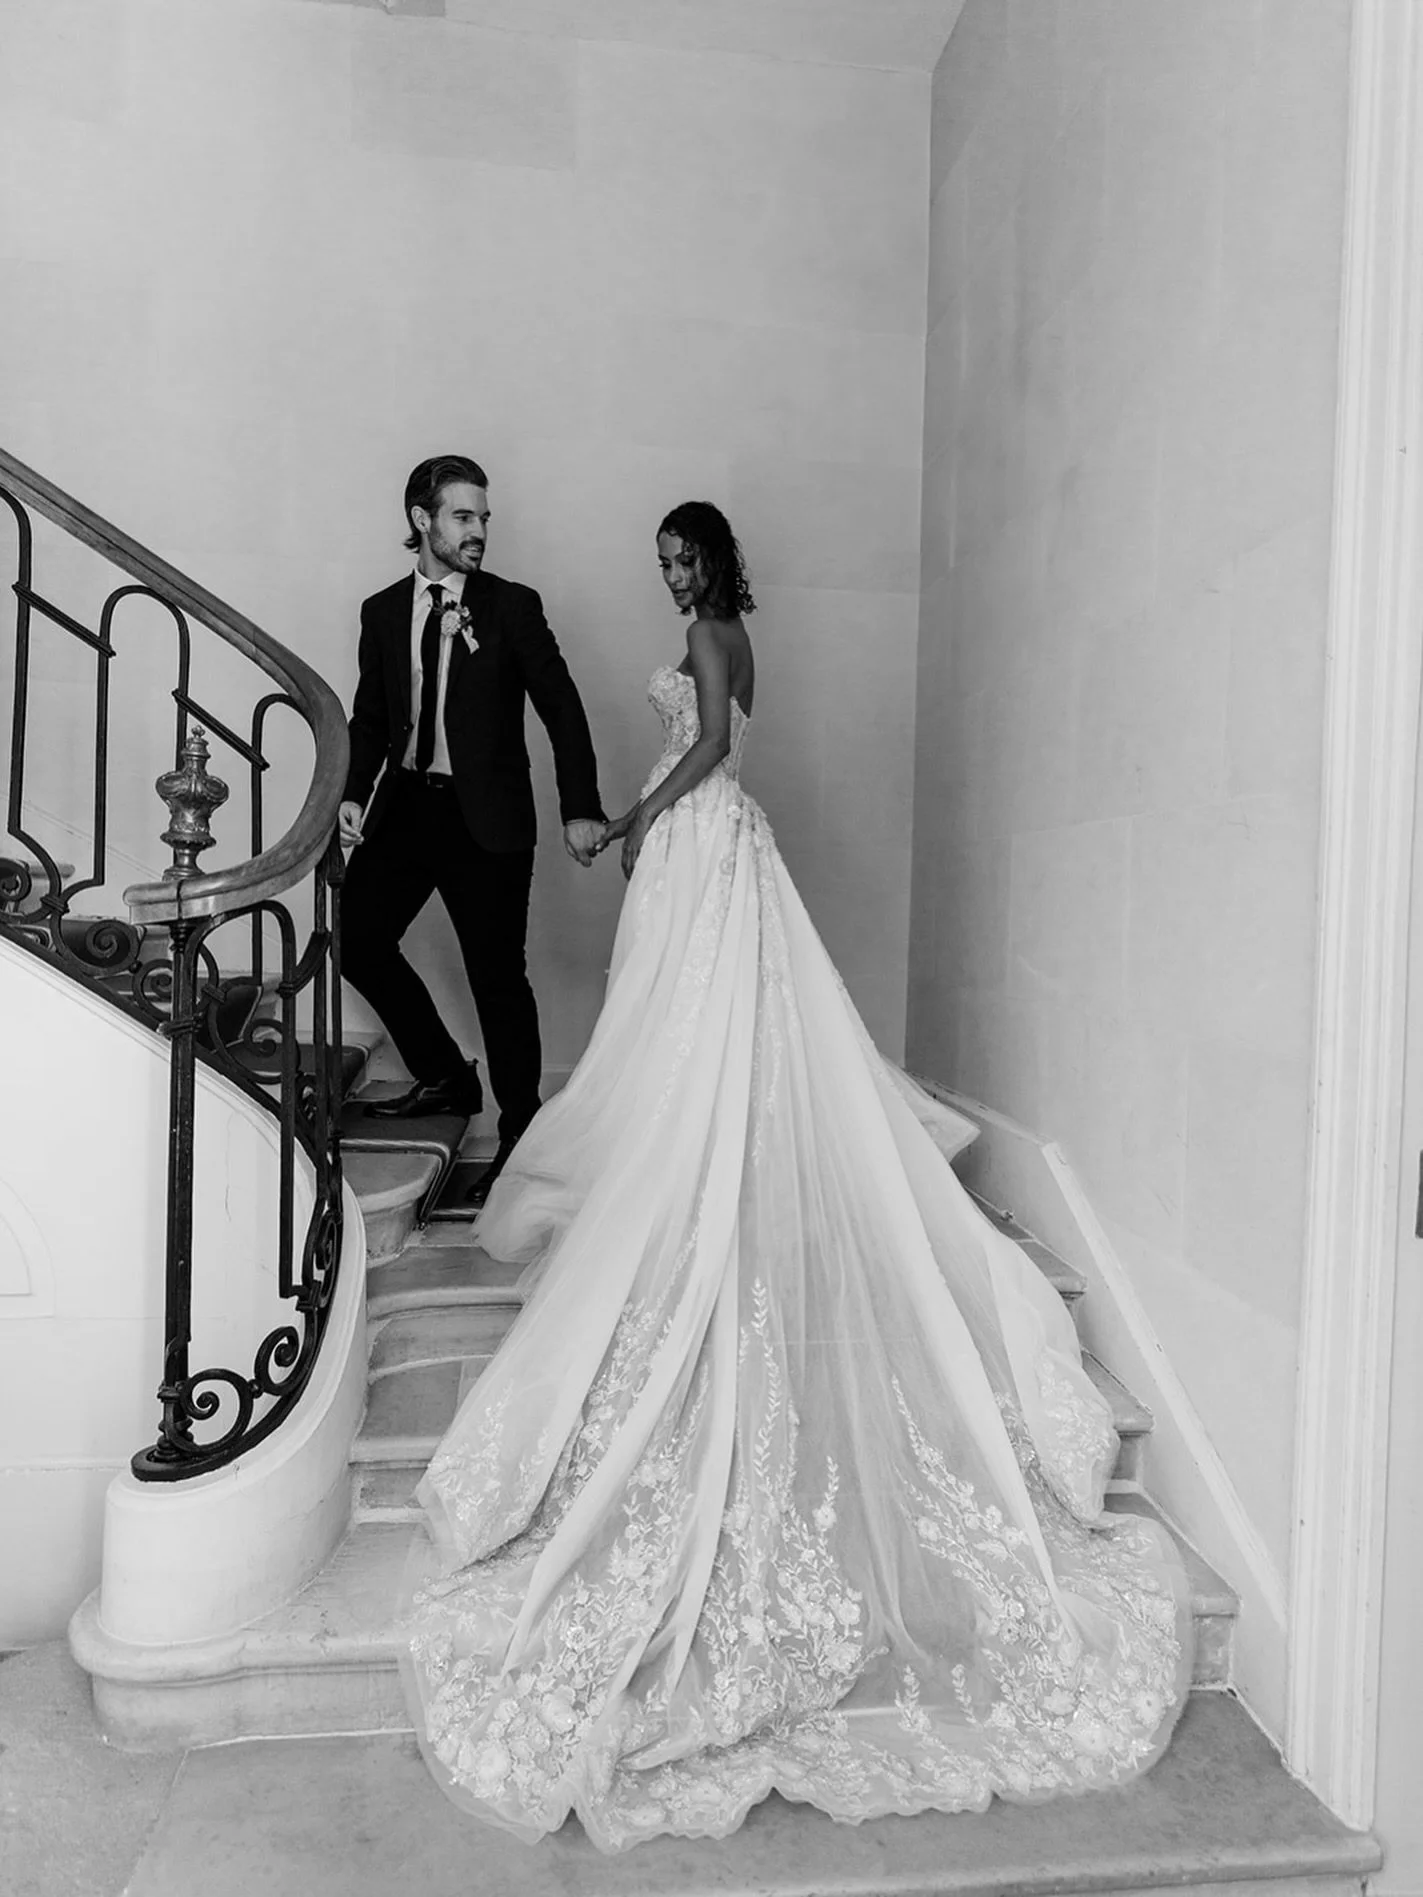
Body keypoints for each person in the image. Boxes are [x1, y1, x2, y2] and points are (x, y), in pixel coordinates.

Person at [399, 502, 1193, 1852]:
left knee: (705, 1032)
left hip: (706, 836)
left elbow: (707, 744)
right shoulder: (716, 628)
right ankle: (676, 1157)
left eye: (679, 559)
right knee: (690, 1031)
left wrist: (639, 820)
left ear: (710, 562)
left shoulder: (714, 637)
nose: (667, 580)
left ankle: (699, 1177)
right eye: (661, 566)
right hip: (711, 844)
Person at [339, 455, 605, 1203]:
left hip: (485, 819)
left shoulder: (512, 605)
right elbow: (369, 716)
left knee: (497, 979)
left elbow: (563, 707)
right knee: (356, 936)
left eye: (484, 517)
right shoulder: (383, 612)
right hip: (406, 808)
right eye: (463, 516)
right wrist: (354, 792)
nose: (479, 529)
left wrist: (579, 805)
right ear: (422, 519)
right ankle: (447, 1075)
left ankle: (520, 1133)